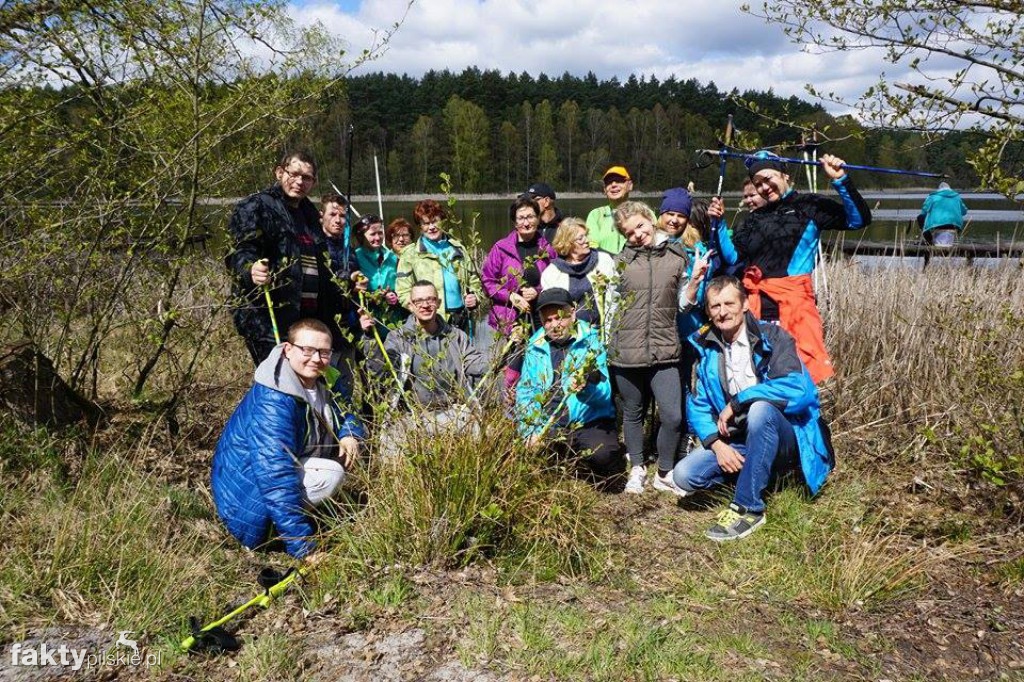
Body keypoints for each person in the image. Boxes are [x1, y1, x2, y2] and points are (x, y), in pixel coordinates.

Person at [672, 276, 834, 542]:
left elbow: (800, 391)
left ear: (745, 304)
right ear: (709, 312)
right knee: (684, 476)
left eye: (729, 303)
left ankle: (749, 507)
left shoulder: (773, 337)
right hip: (740, 438)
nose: (723, 312)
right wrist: (716, 444)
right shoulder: (707, 349)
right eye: (715, 306)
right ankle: (757, 474)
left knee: (760, 409)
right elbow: (698, 406)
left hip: (787, 435)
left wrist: (739, 401)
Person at [710, 151, 871, 384]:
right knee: (759, 371)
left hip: (795, 305)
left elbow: (858, 220)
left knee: (801, 373)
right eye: (758, 184)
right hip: (756, 306)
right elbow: (733, 257)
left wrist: (840, 180)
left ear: (785, 175)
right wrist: (720, 223)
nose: (764, 187)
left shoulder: (809, 205)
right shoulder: (754, 218)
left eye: (768, 179)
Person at [211, 319, 363, 559]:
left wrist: (350, 434)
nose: (316, 359)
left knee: (346, 454)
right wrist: (303, 548)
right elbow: (275, 476)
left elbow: (347, 409)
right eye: (308, 350)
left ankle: (301, 519)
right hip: (249, 506)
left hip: (285, 472)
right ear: (288, 349)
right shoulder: (274, 399)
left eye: (324, 352)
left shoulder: (327, 378)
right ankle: (273, 534)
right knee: (332, 473)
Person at [610, 201, 710, 495]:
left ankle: (664, 472)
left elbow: (683, 303)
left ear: (650, 219)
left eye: (640, 226)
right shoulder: (622, 261)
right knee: (632, 412)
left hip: (665, 346)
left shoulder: (678, 255)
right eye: (629, 233)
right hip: (626, 349)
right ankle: (637, 468)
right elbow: (611, 304)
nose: (637, 235)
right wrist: (609, 346)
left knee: (673, 415)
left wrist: (694, 281)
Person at [225, 151, 352, 365]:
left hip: (307, 317)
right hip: (267, 317)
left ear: (314, 182)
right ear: (279, 173)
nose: (299, 181)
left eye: (307, 177)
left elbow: (321, 262)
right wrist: (249, 269)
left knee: (307, 381)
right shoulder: (255, 206)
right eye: (294, 174)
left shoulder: (310, 213)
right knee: (277, 380)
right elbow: (238, 251)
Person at [360, 281, 488, 457]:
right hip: (411, 415)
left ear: (439, 303)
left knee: (479, 430)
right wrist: (369, 338)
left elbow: (475, 363)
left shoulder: (456, 336)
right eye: (419, 301)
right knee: (391, 446)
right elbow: (381, 373)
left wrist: (502, 357)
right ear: (410, 306)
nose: (425, 305)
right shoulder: (397, 338)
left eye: (430, 299)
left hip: (451, 411)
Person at [516, 288, 623, 483]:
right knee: (526, 457)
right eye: (548, 320)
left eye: (559, 318)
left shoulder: (591, 341)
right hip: (548, 421)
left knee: (603, 455)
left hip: (587, 420)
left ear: (573, 313)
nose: (555, 325)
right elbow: (526, 393)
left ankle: (584, 462)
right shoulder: (535, 346)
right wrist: (529, 432)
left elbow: (605, 393)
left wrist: (586, 389)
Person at [396, 199, 482, 335]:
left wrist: (475, 297)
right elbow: (402, 292)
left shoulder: (458, 248)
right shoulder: (410, 254)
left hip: (461, 319)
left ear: (442, 221)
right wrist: (421, 310)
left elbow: (474, 281)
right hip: (429, 323)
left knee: (463, 356)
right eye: (426, 223)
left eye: (435, 221)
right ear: (420, 226)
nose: (431, 227)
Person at [481, 195, 556, 336]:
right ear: (515, 222)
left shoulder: (547, 249)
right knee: (513, 357)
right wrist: (511, 297)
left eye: (530, 217)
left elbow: (557, 281)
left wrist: (538, 291)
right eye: (521, 218)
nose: (526, 223)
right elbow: (487, 283)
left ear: (538, 219)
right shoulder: (501, 248)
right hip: (509, 319)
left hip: (541, 316)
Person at [540, 217, 619, 343]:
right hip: (572, 338)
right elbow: (552, 312)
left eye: (586, 236)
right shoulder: (552, 273)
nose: (586, 241)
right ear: (568, 243)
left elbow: (615, 297)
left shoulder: (603, 261)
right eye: (580, 238)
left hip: (603, 334)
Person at [354, 214, 405, 334]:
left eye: (380, 233)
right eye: (372, 234)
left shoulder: (393, 257)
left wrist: (394, 295)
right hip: (369, 324)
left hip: (393, 323)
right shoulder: (355, 257)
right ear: (362, 236)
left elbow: (402, 282)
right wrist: (378, 296)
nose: (377, 238)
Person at [585, 166, 633, 254]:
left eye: (619, 180)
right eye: (608, 182)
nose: (613, 185)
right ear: (604, 190)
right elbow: (591, 245)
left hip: (635, 265)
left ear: (630, 185)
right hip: (604, 264)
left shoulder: (644, 213)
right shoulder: (596, 215)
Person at [918, 181, 968, 246]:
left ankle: (929, 242)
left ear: (939, 190)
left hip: (937, 225)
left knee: (920, 218)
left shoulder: (932, 197)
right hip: (955, 226)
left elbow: (923, 212)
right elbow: (964, 212)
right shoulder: (957, 197)